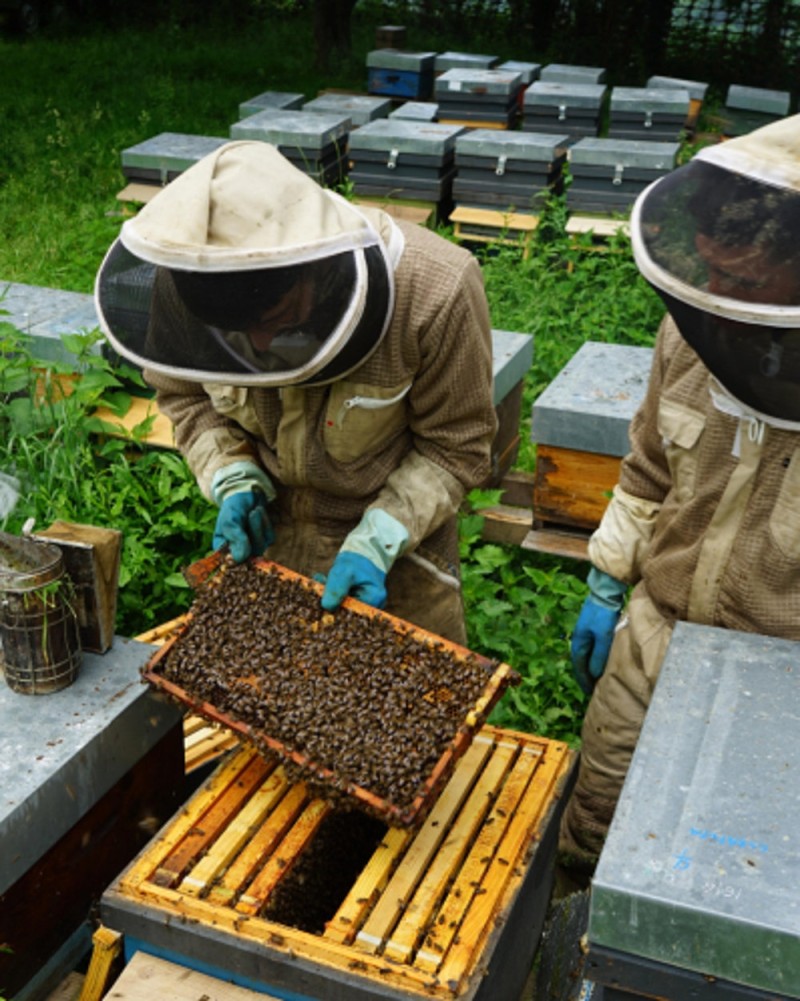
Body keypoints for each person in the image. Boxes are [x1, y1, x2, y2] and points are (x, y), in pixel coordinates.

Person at [95, 140, 497, 644]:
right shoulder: (184, 282)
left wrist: (380, 538)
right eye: (236, 334)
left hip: (402, 553)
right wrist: (230, 472)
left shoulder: (435, 290)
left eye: (273, 319)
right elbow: (185, 397)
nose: (261, 345)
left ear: (314, 267)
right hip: (269, 550)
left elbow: (456, 447)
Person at [560, 114, 800, 879]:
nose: (717, 299)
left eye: (745, 282)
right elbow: (648, 468)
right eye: (709, 273)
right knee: (593, 825)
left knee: (727, 878)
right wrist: (607, 576)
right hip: (654, 635)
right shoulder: (690, 333)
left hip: (778, 685)